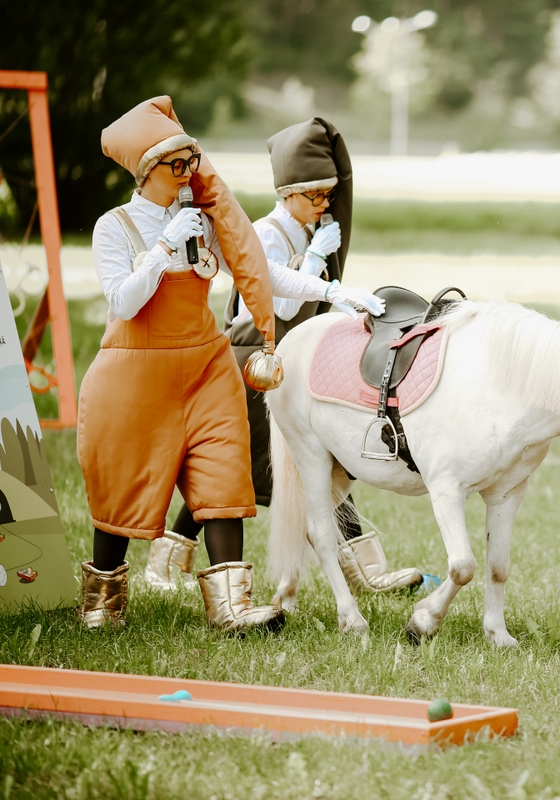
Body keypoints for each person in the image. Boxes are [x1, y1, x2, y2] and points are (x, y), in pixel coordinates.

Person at [78, 97, 355, 632]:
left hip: (206, 367)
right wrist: (161, 247)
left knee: (225, 477)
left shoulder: (204, 221)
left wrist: (337, 291)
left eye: (192, 162)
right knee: (121, 489)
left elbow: (262, 271)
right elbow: (122, 302)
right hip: (134, 376)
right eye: (176, 165)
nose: (189, 175)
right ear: (146, 170)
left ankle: (231, 606)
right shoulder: (114, 226)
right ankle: (102, 602)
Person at [143, 118, 421, 596]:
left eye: (329, 196)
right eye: (315, 195)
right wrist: (313, 259)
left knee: (325, 461)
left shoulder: (312, 227)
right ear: (289, 192)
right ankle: (164, 561)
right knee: (242, 470)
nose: (324, 205)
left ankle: (364, 569)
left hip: (297, 363)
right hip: (255, 360)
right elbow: (279, 303)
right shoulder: (266, 233)